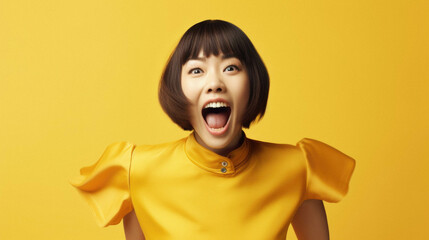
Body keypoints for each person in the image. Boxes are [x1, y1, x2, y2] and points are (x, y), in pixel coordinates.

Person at [70, 20, 356, 240]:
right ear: (177, 87)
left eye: (231, 68)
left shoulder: (297, 168)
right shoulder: (136, 171)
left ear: (252, 81)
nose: (215, 82)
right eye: (197, 70)